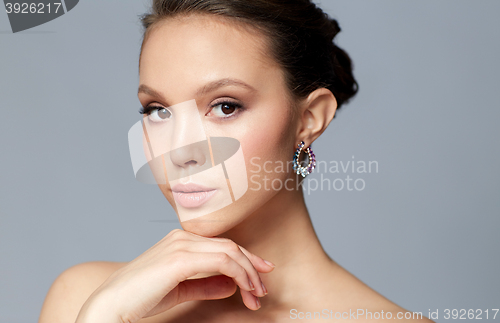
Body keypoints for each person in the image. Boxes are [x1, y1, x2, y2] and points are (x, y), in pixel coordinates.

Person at [39, 0, 432, 322]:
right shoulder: (86, 297)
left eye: (225, 106)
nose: (180, 151)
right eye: (158, 110)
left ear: (309, 119)